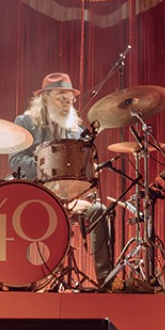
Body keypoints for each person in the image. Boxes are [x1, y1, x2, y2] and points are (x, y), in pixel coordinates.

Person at [11, 73, 115, 287]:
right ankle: (19, 279)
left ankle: (106, 281)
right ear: (46, 98)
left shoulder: (76, 131)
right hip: (35, 195)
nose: (67, 104)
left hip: (69, 198)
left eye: (70, 100)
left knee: (98, 210)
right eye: (61, 97)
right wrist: (47, 169)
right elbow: (16, 161)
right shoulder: (25, 122)